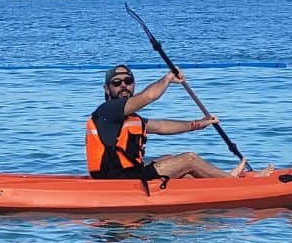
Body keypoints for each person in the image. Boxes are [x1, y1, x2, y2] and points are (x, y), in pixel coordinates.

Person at [86, 64, 272, 180]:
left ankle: (217, 179)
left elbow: (162, 127)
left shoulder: (130, 118)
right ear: (107, 88)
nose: (123, 86)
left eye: (128, 81)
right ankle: (234, 184)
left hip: (128, 172)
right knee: (188, 159)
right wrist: (167, 78)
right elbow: (148, 96)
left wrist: (199, 123)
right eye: (117, 83)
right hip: (117, 179)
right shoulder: (108, 111)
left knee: (169, 159)